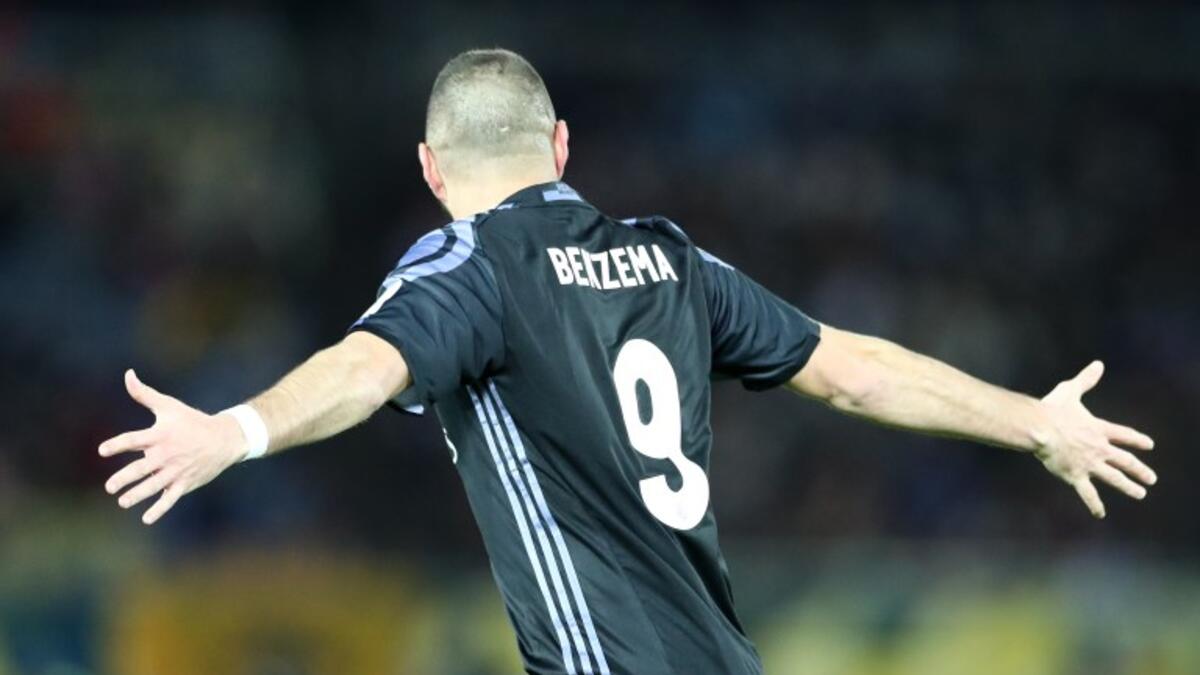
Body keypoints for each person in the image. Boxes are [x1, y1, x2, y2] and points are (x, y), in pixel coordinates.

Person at [97, 49, 1157, 675]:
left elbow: (367, 366)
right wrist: (1036, 421)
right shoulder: (668, 257)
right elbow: (853, 368)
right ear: (561, 146)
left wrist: (233, 432)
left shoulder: (468, 267)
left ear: (429, 169)